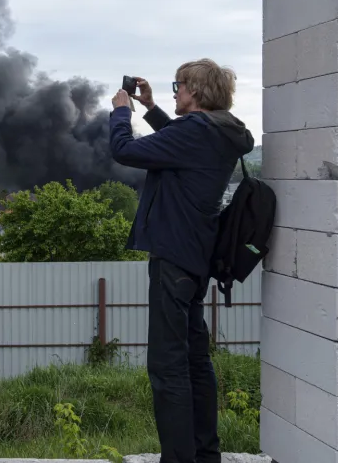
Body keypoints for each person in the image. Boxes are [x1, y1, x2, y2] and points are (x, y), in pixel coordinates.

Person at [108, 59, 254, 463]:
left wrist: (123, 112)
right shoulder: (222, 132)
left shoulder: (195, 132)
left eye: (179, 86)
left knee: (168, 365)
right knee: (195, 358)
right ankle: (206, 454)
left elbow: (124, 150)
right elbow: (180, 140)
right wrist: (152, 108)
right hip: (196, 255)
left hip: (172, 257)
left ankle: (178, 459)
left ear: (197, 91)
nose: (175, 92)